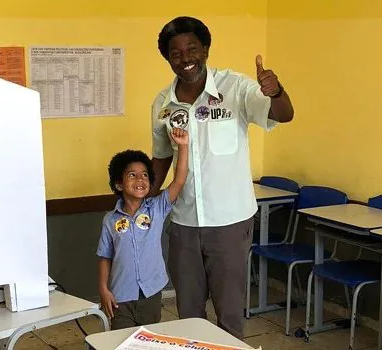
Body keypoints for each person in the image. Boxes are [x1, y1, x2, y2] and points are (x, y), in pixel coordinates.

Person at [150, 16, 294, 340]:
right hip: (183, 223)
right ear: (168, 59)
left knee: (229, 314)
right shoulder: (162, 103)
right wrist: (142, 202)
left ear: (206, 49)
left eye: (192, 49)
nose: (185, 58)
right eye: (176, 53)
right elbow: (161, 157)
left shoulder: (237, 88)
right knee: (188, 316)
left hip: (229, 222)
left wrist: (277, 91)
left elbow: (283, 114)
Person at [96, 128, 189, 330]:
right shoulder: (110, 220)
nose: (140, 179)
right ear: (119, 184)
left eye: (145, 175)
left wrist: (183, 146)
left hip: (151, 292)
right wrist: (104, 289)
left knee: (148, 340)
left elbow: (179, 179)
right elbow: (105, 257)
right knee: (122, 341)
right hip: (121, 295)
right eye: (132, 175)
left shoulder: (157, 208)